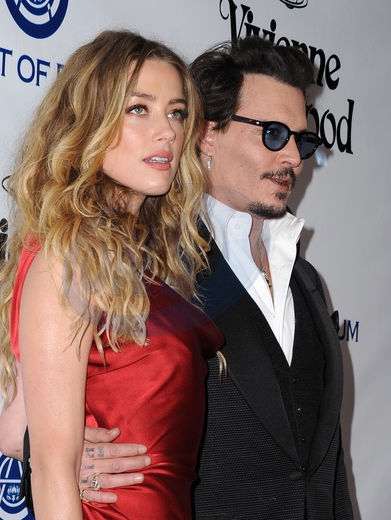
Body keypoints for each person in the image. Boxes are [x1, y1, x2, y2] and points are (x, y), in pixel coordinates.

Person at [77, 35, 354, 519]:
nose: (293, 157)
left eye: (302, 140)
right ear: (207, 135)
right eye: (273, 134)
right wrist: (62, 454)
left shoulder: (307, 282)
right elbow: (41, 409)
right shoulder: (149, 266)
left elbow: (323, 470)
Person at [0, 29, 224, 519]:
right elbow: (51, 470)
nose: (167, 131)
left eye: (176, 112)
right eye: (139, 108)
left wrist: (27, 435)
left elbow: (19, 427)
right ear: (89, 122)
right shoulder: (67, 259)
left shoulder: (144, 264)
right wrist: (46, 452)